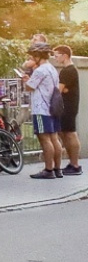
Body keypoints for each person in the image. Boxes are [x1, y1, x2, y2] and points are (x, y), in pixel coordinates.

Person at [24, 47, 63, 179]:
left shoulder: (40, 70)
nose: (31, 59)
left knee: (44, 139)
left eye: (32, 57)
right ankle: (58, 169)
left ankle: (48, 170)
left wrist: (25, 80)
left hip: (41, 108)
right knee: (54, 138)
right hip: (52, 107)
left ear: (37, 56)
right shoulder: (52, 69)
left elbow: (29, 87)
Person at [53, 45, 80, 175]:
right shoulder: (69, 70)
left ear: (65, 55)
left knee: (70, 133)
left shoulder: (68, 70)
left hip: (68, 106)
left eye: (57, 55)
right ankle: (72, 163)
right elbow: (63, 89)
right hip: (67, 105)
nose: (55, 58)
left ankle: (75, 165)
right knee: (64, 132)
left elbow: (59, 89)